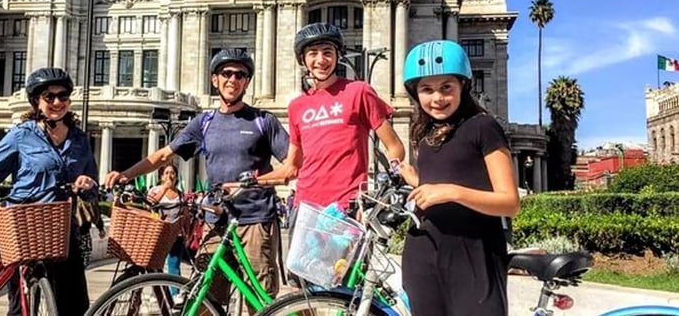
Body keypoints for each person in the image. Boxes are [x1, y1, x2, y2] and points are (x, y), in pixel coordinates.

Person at [104, 48, 290, 311]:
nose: (232, 80)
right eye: (226, 73)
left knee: (258, 302)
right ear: (214, 79)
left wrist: (252, 183)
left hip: (255, 220)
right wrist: (125, 174)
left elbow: (291, 168)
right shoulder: (204, 123)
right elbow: (163, 155)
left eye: (240, 75)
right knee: (204, 297)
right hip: (217, 220)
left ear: (247, 82)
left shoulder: (263, 121)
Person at [0, 67, 97, 316]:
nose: (57, 102)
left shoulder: (80, 139)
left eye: (63, 96)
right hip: (23, 227)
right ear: (36, 101)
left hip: (61, 231)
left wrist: (87, 185)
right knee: (21, 305)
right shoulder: (21, 135)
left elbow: (93, 186)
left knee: (75, 304)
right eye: (49, 97)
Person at [398, 40, 520, 316]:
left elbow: (509, 202)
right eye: (426, 90)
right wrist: (418, 182)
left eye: (446, 88)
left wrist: (451, 191)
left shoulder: (483, 127)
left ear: (463, 85)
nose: (437, 98)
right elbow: (442, 185)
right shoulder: (426, 134)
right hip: (423, 252)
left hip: (474, 254)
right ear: (416, 94)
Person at [283, 23, 406, 212]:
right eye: (313, 53)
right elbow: (292, 167)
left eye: (327, 52)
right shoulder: (296, 106)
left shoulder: (359, 91)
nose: (321, 60)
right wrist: (245, 182)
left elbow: (395, 146)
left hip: (347, 207)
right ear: (302, 60)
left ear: (337, 56)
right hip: (305, 208)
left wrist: (393, 176)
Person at [147, 162, 185, 280]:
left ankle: (175, 294)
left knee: (174, 264)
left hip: (176, 234)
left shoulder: (180, 194)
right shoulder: (155, 190)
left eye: (172, 173)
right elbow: (150, 204)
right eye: (166, 173)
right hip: (159, 233)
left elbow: (186, 215)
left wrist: (187, 233)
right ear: (162, 177)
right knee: (156, 264)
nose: (169, 176)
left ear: (177, 177)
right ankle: (157, 293)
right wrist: (164, 189)